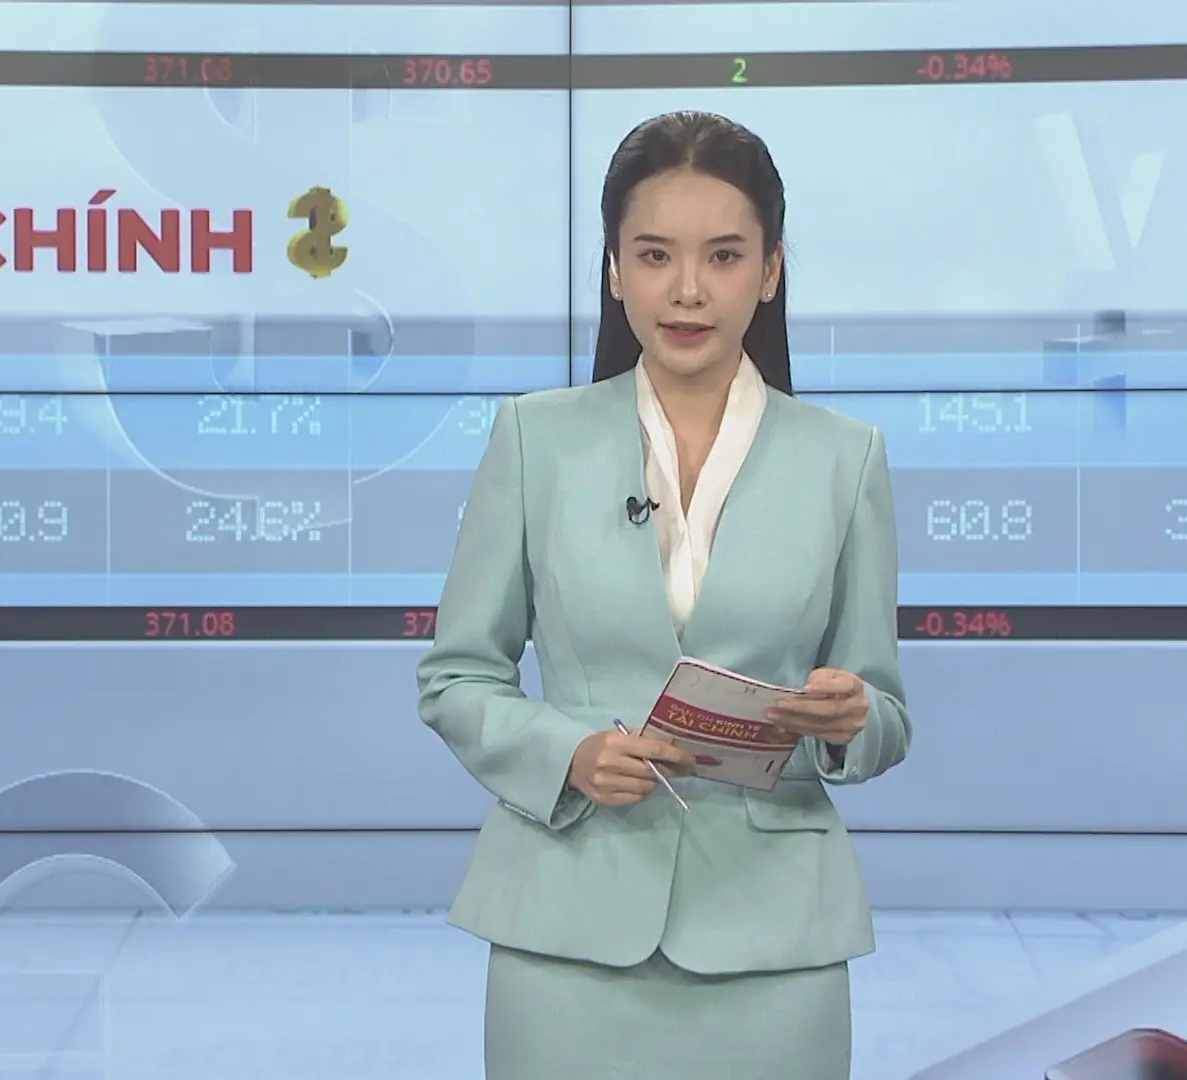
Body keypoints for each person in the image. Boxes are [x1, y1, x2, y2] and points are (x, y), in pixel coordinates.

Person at [415, 109, 912, 1079]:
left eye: (724, 256)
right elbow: (457, 677)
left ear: (770, 271)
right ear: (614, 270)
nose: (688, 290)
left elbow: (884, 713)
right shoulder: (535, 439)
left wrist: (849, 721)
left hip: (774, 939)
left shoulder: (844, 460)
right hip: (566, 929)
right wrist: (569, 754)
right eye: (654, 256)